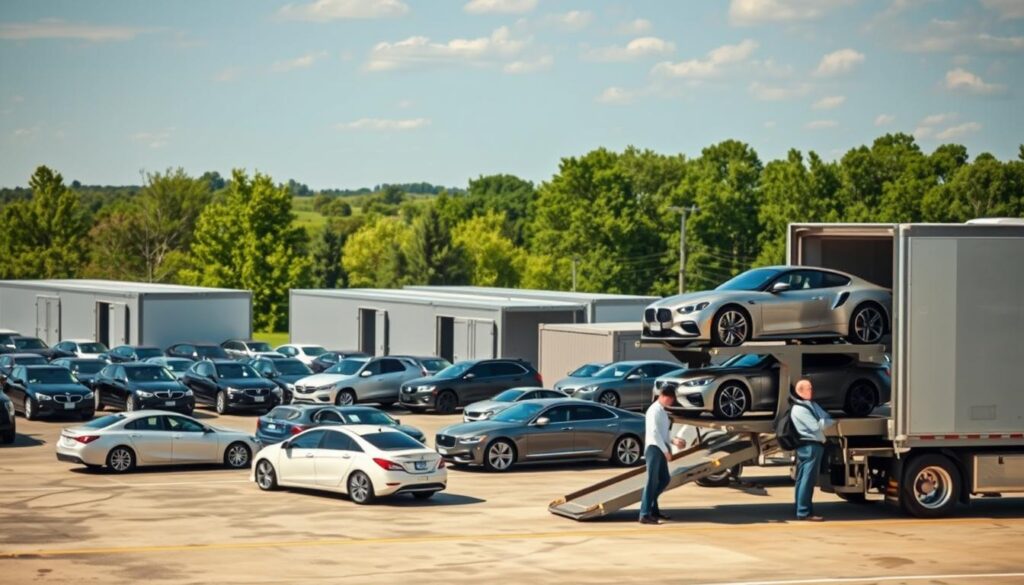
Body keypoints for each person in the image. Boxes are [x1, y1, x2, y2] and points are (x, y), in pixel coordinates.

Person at [640, 384, 686, 525]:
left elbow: (663, 433)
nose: (672, 402)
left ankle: (653, 509)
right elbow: (654, 433)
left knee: (664, 479)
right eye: (671, 399)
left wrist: (673, 441)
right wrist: (666, 451)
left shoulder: (662, 411)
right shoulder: (654, 411)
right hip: (654, 449)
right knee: (652, 482)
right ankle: (644, 513)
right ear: (665, 396)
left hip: (660, 447)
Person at [791, 378, 834, 522]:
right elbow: (817, 426)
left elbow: (825, 417)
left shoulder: (810, 404)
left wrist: (824, 421)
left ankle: (800, 508)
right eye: (808, 388)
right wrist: (826, 422)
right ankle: (803, 512)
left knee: (803, 479)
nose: (811, 390)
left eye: (811, 388)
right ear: (800, 391)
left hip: (811, 445)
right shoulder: (799, 409)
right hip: (809, 445)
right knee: (807, 480)